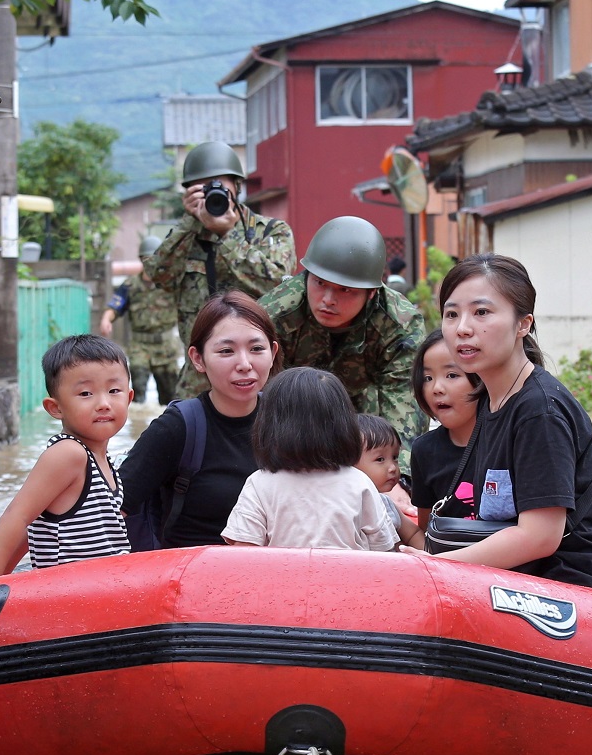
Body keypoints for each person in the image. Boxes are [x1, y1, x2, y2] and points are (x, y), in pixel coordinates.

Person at [418, 255, 592, 591]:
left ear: (523, 324)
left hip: (567, 587)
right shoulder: (491, 398)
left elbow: (539, 537)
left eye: (481, 312)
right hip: (514, 578)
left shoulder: (539, 411)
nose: (463, 328)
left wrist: (434, 568)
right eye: (451, 314)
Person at [120, 291, 276, 548]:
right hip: (189, 568)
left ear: (273, 352)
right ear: (197, 359)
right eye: (226, 351)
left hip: (272, 568)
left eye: (257, 349)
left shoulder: (290, 420)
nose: (245, 364)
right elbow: (113, 512)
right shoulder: (176, 428)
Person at [256, 216, 427, 444]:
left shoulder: (399, 325)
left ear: (371, 293)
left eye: (344, 290)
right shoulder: (275, 313)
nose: (328, 299)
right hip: (288, 413)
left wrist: (394, 465)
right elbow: (252, 394)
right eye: (319, 283)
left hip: (359, 411)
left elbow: (405, 408)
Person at [0, 336, 133, 577]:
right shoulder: (69, 454)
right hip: (69, 592)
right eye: (85, 393)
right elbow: (17, 517)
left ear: (129, 398)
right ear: (55, 408)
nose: (103, 403)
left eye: (114, 391)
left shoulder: (104, 462)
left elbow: (33, 527)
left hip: (102, 589)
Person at [221, 368, 399, 552]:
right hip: (348, 572)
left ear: (269, 424)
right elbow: (384, 551)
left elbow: (243, 553)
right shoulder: (359, 482)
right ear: (344, 425)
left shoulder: (260, 483)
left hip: (281, 572)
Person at [142, 141, 295, 331]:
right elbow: (158, 277)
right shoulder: (186, 236)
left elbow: (279, 288)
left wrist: (228, 235)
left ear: (237, 186)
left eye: (219, 185)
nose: (213, 193)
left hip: (253, 348)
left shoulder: (271, 231)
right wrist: (189, 222)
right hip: (200, 350)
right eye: (203, 188)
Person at [406, 328, 480, 531]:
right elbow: (427, 533)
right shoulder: (424, 450)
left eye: (452, 375)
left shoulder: (510, 442)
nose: (436, 388)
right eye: (427, 378)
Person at [98, 234, 183, 403]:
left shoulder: (171, 284)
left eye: (154, 258)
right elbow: (115, 306)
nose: (150, 263)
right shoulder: (130, 286)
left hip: (166, 346)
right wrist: (106, 320)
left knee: (170, 396)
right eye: (146, 259)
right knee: (138, 388)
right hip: (140, 346)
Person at [356, 413, 421, 547]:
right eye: (380, 459)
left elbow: (413, 534)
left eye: (395, 457)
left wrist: (429, 554)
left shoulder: (387, 504)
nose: (392, 467)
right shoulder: (348, 507)